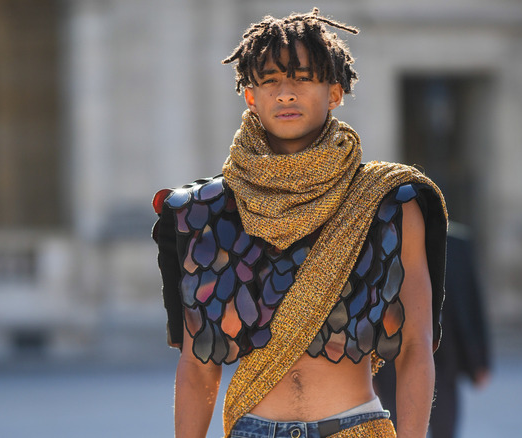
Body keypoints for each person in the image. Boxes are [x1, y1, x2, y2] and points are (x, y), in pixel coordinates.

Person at [152, 9, 448, 438]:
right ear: (250, 95)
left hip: (356, 428)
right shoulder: (206, 209)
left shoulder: (390, 200)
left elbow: (416, 348)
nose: (286, 93)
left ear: (334, 92)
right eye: (270, 80)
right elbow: (198, 367)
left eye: (303, 78)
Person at [374, 223, 490, 438]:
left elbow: (472, 301)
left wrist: (481, 360)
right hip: (394, 356)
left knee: (445, 426)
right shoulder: (382, 237)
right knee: (396, 427)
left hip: (445, 356)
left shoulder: (456, 244)